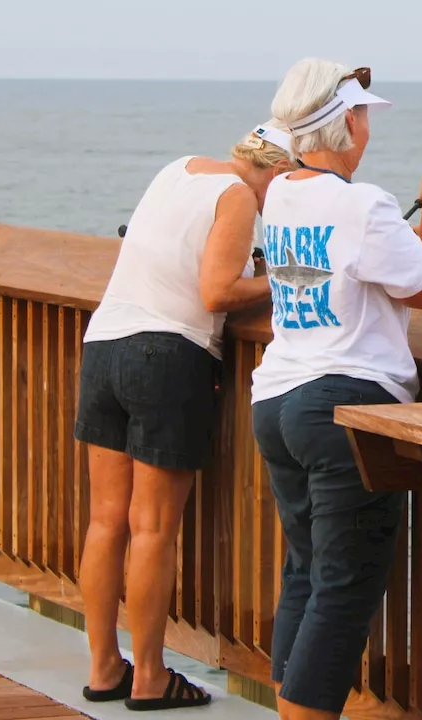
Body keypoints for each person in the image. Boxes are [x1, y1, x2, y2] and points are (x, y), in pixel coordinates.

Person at [250, 58, 422, 719]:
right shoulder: (364, 202)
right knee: (344, 588)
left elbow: (352, 268)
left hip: (279, 398)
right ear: (347, 123)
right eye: (365, 113)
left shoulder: (281, 193)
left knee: (307, 575)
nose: (369, 125)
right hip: (345, 409)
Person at [74, 121, 297, 711]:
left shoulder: (181, 168)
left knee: (106, 522)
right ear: (276, 170)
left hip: (105, 347)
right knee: (151, 529)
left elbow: (178, 255)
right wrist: (282, 277)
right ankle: (150, 677)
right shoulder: (242, 197)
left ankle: (103, 669)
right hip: (167, 357)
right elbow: (217, 293)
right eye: (289, 183)